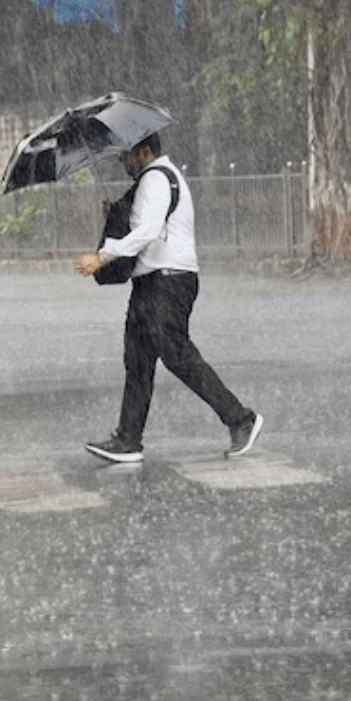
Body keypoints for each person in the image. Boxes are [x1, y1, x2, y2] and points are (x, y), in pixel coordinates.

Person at [75, 132, 263, 462]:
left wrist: (103, 256)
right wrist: (117, 213)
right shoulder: (156, 179)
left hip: (168, 282)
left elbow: (147, 232)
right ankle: (128, 440)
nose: (123, 163)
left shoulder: (157, 179)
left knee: (178, 356)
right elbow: (146, 224)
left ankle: (241, 419)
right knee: (138, 362)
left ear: (144, 152)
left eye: (126, 156)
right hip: (151, 282)